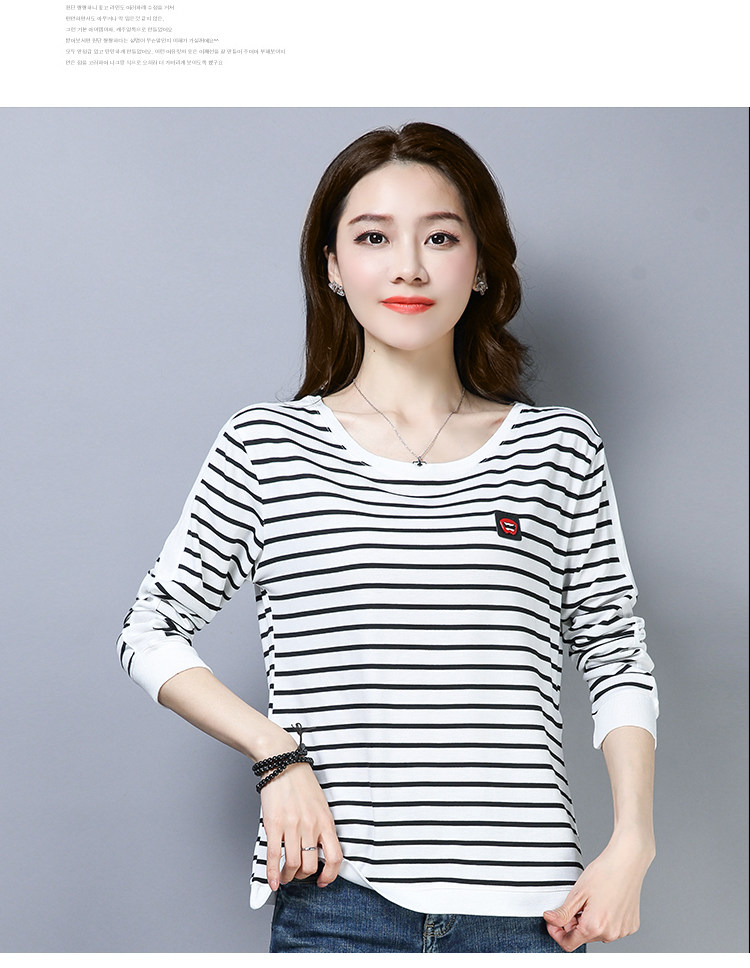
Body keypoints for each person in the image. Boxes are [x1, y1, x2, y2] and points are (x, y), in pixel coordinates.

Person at [117, 122, 658, 954]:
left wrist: (633, 844)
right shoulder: (267, 446)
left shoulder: (559, 449)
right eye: (374, 237)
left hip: (530, 913)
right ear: (333, 267)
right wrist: (274, 753)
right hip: (339, 904)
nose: (408, 266)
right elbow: (149, 628)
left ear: (481, 265)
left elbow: (615, 650)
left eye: (440, 237)